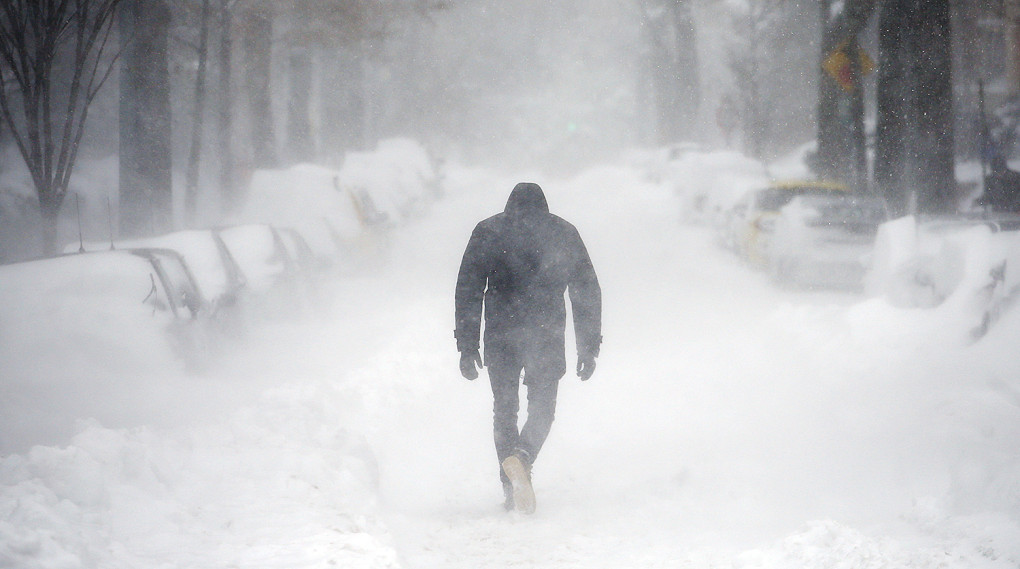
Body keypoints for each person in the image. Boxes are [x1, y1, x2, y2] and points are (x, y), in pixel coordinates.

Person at [454, 182, 602, 514]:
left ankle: (510, 487)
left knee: (504, 411)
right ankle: (523, 457)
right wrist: (588, 347)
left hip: (501, 333)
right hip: (546, 333)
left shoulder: (489, 231)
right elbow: (585, 290)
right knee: (543, 411)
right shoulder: (563, 232)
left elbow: (468, 289)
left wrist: (467, 346)